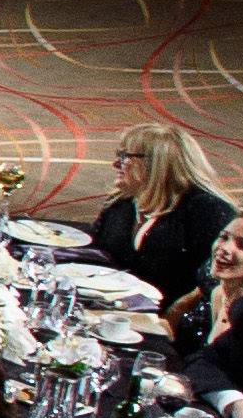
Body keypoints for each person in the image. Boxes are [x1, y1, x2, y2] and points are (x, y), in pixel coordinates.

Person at [89, 120, 229, 306]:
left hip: (171, 318)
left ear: (155, 163)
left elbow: (218, 279)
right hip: (110, 309)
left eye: (124, 156)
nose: (115, 164)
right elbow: (93, 251)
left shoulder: (206, 210)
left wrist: (178, 311)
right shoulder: (121, 203)